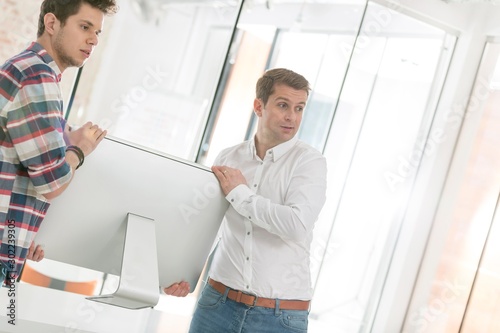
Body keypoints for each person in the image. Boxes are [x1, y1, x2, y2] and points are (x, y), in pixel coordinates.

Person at [188, 68, 327, 333]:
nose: (292, 117)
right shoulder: (228, 158)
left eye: (299, 108)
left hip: (279, 317)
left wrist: (240, 195)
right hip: (216, 304)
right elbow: (209, 227)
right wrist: (185, 274)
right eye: (283, 105)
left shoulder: (310, 163)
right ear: (258, 106)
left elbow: (296, 224)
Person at [0, 0, 119, 286]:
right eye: (84, 26)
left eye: (97, 33)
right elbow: (52, 183)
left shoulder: (32, 71)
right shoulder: (36, 75)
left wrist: (24, 238)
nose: (93, 39)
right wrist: (80, 150)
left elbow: (21, 169)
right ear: (52, 24)